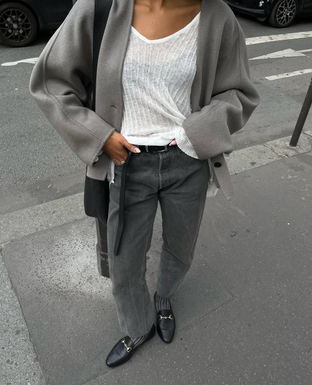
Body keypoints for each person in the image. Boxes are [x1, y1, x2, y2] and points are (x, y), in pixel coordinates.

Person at [29, 0, 260, 369]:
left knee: (181, 246)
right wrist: (98, 135)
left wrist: (194, 134)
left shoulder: (217, 16)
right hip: (126, 165)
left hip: (188, 160)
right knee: (124, 259)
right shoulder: (99, 7)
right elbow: (50, 83)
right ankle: (137, 326)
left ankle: (164, 298)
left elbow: (239, 93)